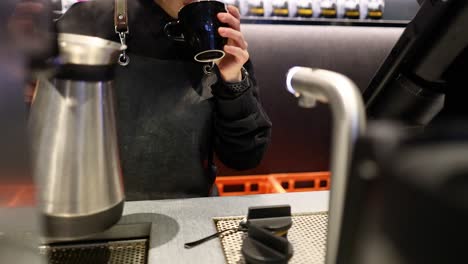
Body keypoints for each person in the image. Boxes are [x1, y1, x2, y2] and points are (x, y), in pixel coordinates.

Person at [56, 0, 272, 200]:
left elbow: (245, 157)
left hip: (192, 214)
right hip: (103, 212)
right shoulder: (89, 19)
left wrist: (233, 80)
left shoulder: (219, 37)